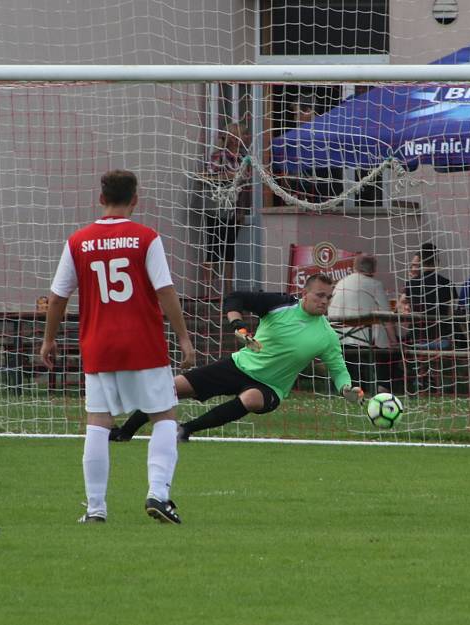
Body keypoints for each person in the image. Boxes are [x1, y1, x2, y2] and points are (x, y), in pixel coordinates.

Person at [40, 169, 195, 524]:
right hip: (143, 342)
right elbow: (165, 290)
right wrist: (184, 337)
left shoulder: (78, 241)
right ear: (135, 199)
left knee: (98, 423)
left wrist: (49, 339)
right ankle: (158, 493)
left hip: (98, 345)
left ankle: (96, 509)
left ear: (100, 199)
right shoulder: (145, 238)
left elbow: (58, 296)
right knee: (164, 417)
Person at [110, 274, 364, 443]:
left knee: (251, 398)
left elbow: (338, 368)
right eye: (319, 295)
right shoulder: (279, 304)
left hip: (270, 387)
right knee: (171, 387)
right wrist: (238, 326)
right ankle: (124, 432)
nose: (324, 301)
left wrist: (346, 388)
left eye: (329, 297)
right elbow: (235, 297)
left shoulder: (327, 335)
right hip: (238, 366)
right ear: (304, 293)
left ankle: (185, 430)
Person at [329, 254, 400, 393]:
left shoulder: (340, 283)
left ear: (354, 267)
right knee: (389, 349)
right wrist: (394, 341)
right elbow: (386, 316)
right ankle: (382, 387)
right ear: (374, 269)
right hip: (363, 341)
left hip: (338, 340)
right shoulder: (375, 284)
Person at [202, 122, 251, 298]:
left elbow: (246, 186)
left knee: (229, 249)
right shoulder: (219, 156)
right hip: (217, 207)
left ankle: (227, 292)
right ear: (231, 137)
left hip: (234, 208)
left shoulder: (244, 158)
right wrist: (229, 176)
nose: (245, 138)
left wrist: (242, 211)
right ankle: (209, 292)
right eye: (242, 134)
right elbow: (207, 176)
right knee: (213, 248)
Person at [403, 243, 456, 349]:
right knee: (443, 364)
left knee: (421, 364)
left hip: (418, 337)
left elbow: (405, 309)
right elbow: (451, 314)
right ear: (437, 261)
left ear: (421, 261)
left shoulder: (411, 284)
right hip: (441, 338)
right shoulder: (447, 283)